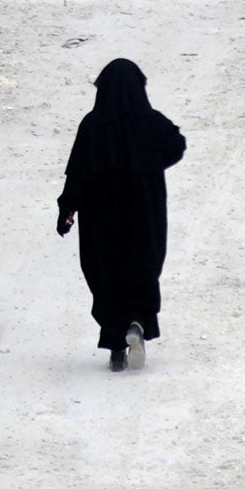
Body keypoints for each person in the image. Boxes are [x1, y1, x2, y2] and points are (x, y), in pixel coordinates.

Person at [55, 59, 186, 371]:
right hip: (145, 215)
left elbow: (77, 175)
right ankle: (137, 324)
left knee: (106, 274)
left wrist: (66, 210)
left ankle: (115, 346)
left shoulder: (91, 126)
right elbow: (176, 145)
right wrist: (150, 162)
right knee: (142, 269)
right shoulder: (151, 122)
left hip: (101, 220)